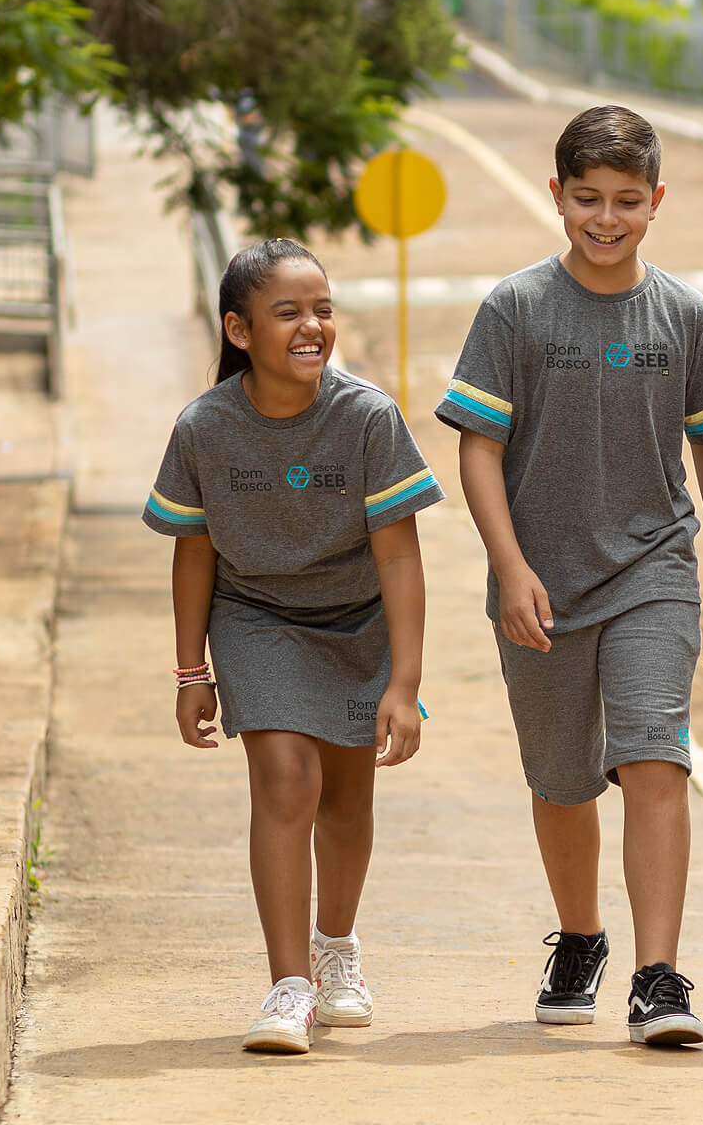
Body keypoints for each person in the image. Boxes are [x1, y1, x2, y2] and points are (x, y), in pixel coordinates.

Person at [434, 105, 703, 1047]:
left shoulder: (686, 315)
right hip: (542, 580)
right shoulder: (516, 309)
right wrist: (511, 565)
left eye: (624, 201)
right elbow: (478, 453)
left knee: (656, 755)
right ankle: (581, 938)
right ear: (557, 197)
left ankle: (659, 979)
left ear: (656, 202)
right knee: (563, 780)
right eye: (586, 200)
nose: (604, 219)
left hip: (653, 566)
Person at [143, 238, 443, 1054]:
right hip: (257, 619)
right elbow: (194, 548)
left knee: (347, 801)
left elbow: (400, 554)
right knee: (286, 778)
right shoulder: (206, 427)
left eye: (323, 310)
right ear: (240, 330)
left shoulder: (366, 417)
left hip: (358, 622)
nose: (312, 327)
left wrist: (404, 683)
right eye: (289, 313)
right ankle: (288, 986)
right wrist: (189, 671)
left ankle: (336, 948)